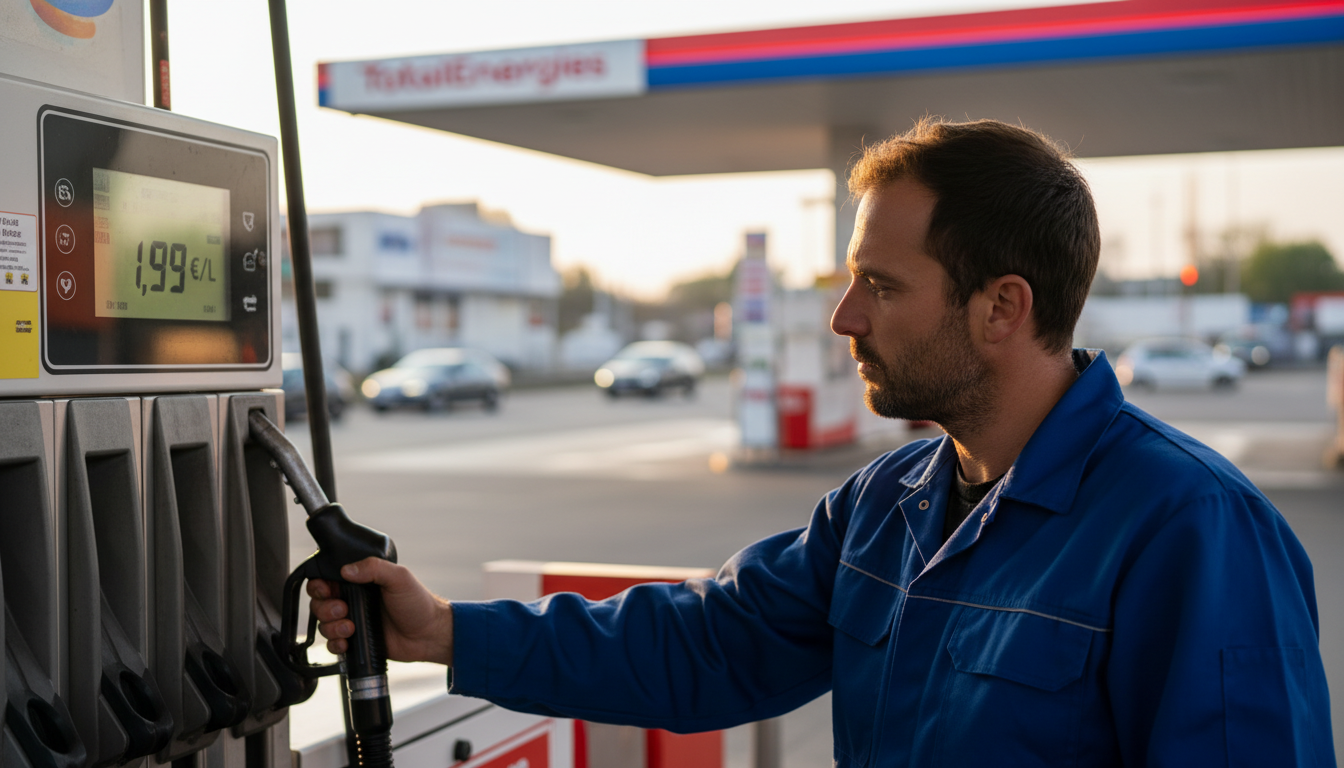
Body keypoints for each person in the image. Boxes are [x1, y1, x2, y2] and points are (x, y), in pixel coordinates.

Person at [310, 118, 1334, 766]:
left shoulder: (1190, 530)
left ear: (1001, 308)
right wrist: (445, 629)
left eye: (882, 286)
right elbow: (706, 644)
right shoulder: (885, 509)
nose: (844, 317)